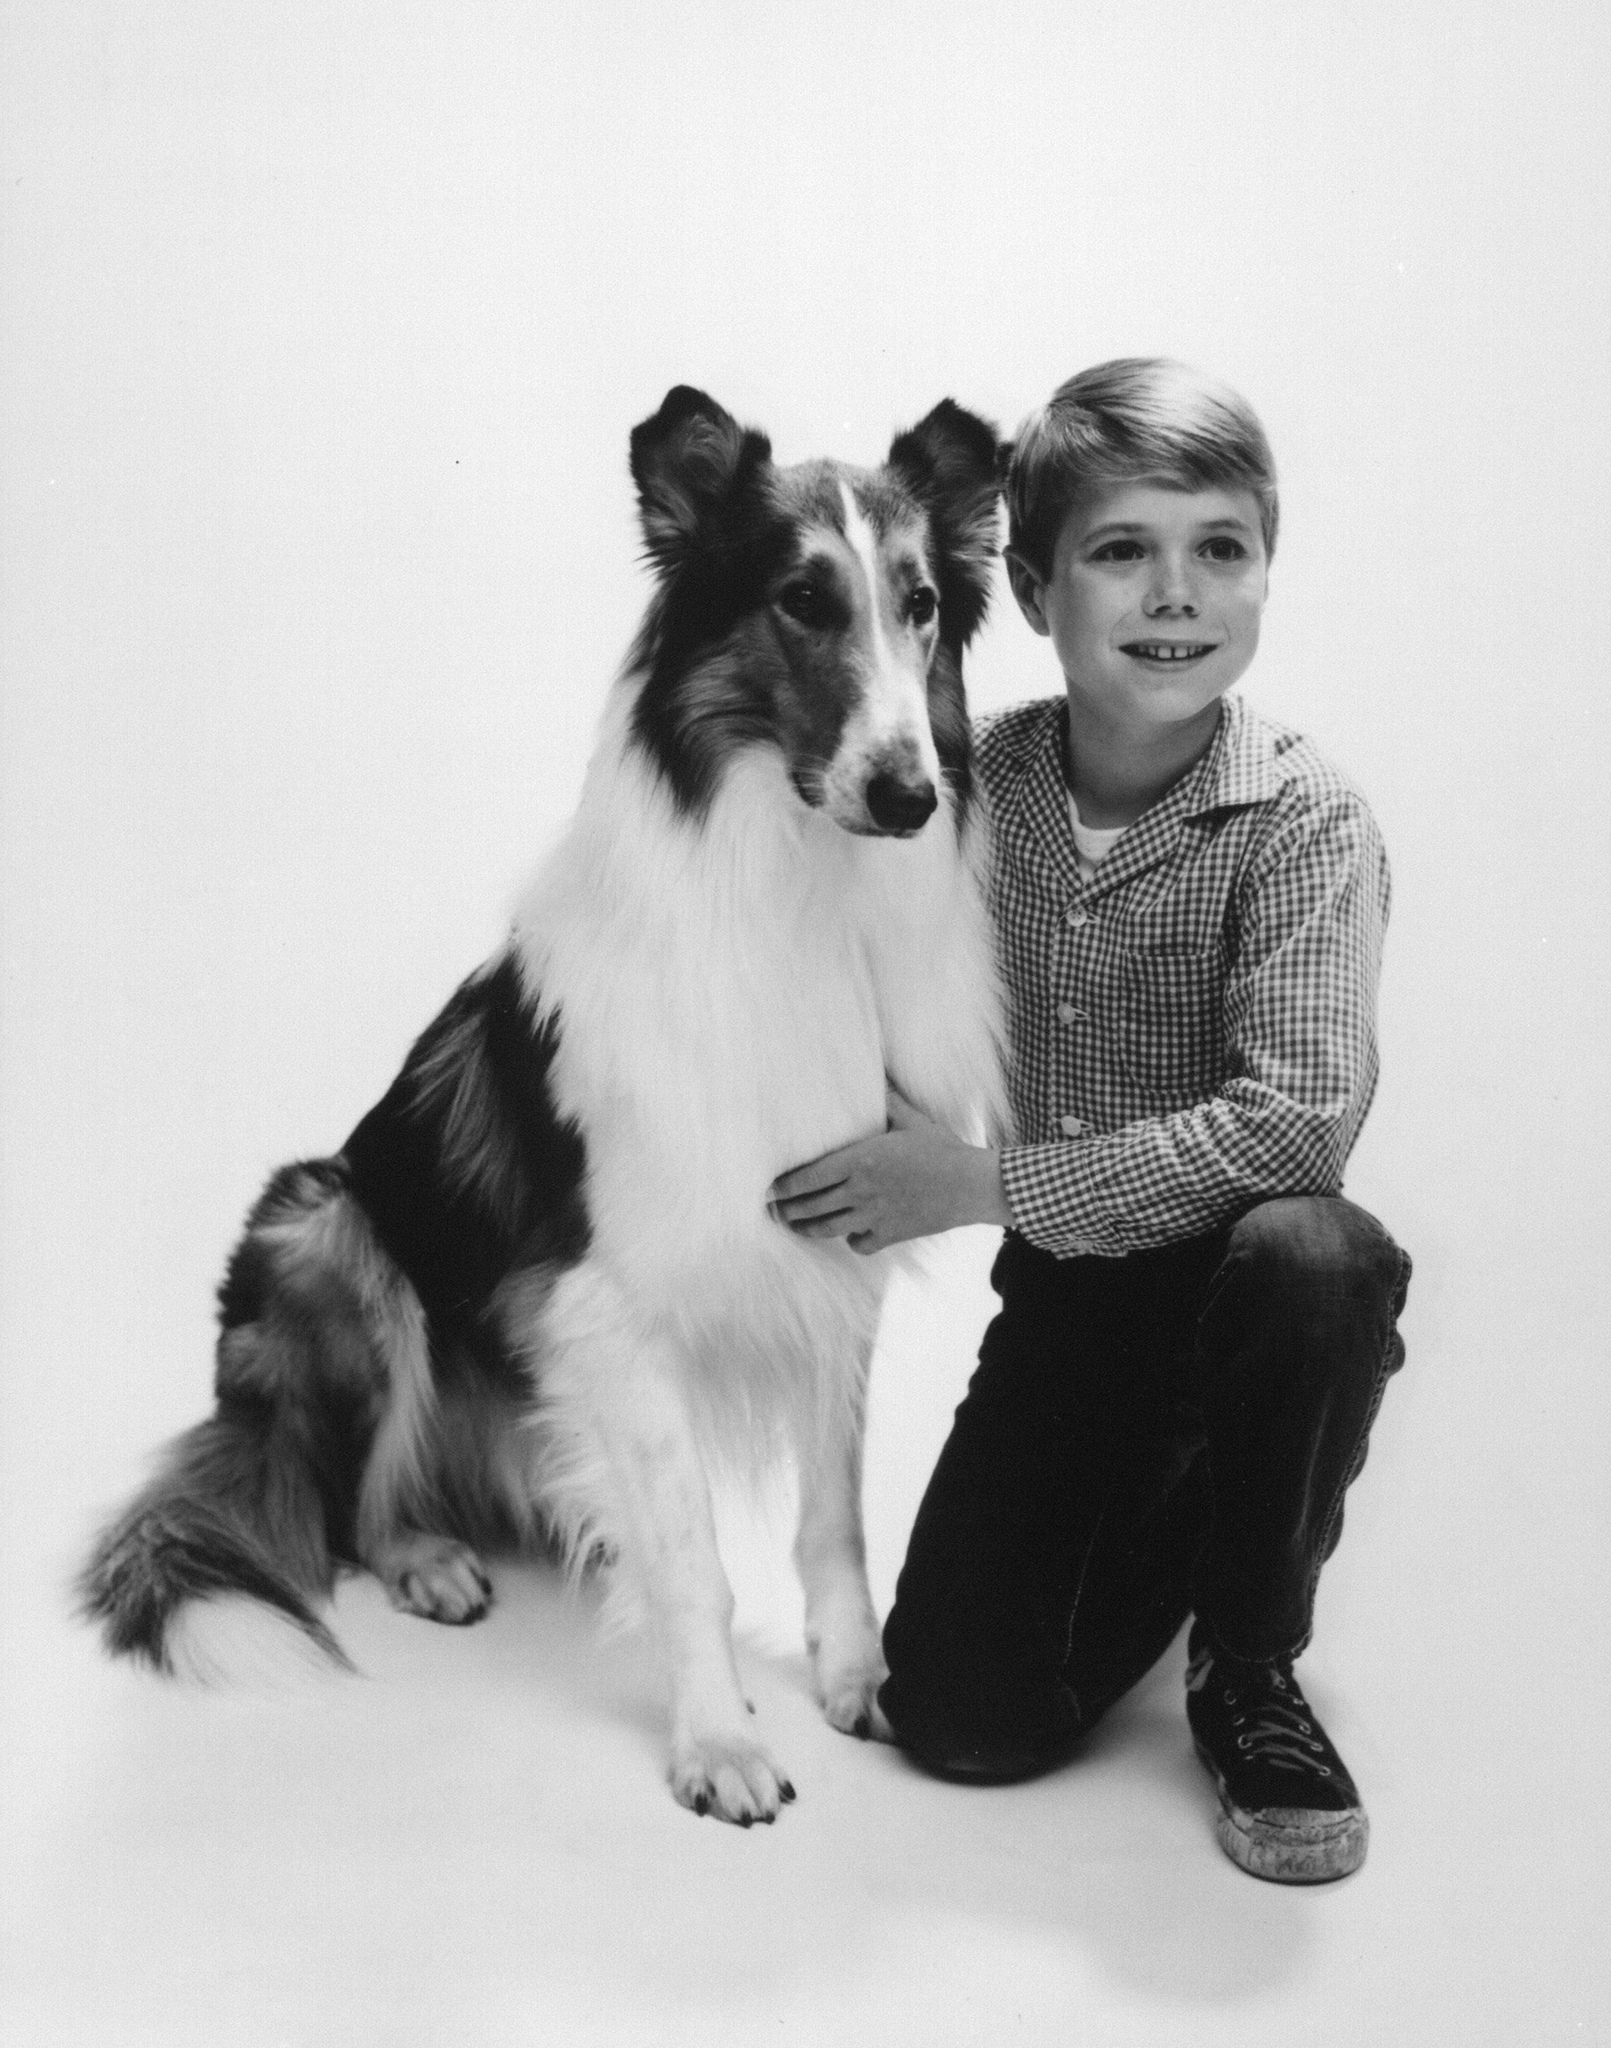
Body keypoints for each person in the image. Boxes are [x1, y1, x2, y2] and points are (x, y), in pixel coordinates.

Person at [768, 358, 1411, 1884]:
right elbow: (829, 937)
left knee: (1319, 1255)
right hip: (1073, 1309)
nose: (1174, 595)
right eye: (1123, 552)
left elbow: (1295, 1127)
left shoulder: (1305, 820)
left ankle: (1249, 1660)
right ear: (1036, 584)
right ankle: (1199, 1505)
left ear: (1266, 571)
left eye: (1220, 550)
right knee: (963, 1723)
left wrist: (984, 1179)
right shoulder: (980, 789)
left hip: (1247, 1283)